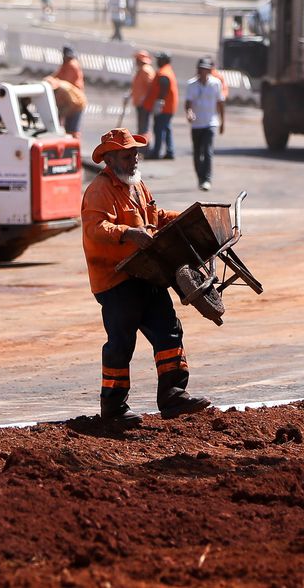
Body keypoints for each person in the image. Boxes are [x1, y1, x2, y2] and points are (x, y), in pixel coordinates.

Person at [82, 127, 212, 426]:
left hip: (146, 272)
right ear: (110, 159)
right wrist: (128, 233)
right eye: (128, 155)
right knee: (121, 343)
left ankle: (173, 395)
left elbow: (155, 215)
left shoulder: (137, 185)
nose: (134, 160)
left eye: (135, 154)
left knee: (168, 329)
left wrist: (185, 217)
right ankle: (113, 409)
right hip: (116, 279)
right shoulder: (99, 191)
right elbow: (95, 229)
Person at [185, 57, 226, 191]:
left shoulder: (216, 84)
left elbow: (220, 103)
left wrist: (222, 122)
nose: (203, 72)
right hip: (197, 124)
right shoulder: (191, 84)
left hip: (210, 123)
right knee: (197, 152)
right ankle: (200, 177)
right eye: (201, 69)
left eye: (205, 69)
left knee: (208, 151)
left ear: (209, 71)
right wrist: (189, 113)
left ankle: (207, 179)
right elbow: (188, 103)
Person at [143, 52, 178, 160]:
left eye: (159, 59)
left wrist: (159, 102)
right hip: (169, 106)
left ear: (164, 60)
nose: (157, 61)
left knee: (158, 129)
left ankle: (156, 152)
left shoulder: (164, 73)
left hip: (164, 107)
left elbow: (164, 87)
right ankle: (170, 151)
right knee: (166, 129)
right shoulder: (167, 70)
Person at [127, 50, 156, 139]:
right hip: (140, 103)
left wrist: (145, 98)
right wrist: (130, 94)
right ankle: (142, 144)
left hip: (144, 104)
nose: (136, 61)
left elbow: (151, 86)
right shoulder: (141, 70)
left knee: (143, 126)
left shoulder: (145, 70)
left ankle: (144, 146)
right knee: (141, 126)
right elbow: (137, 85)